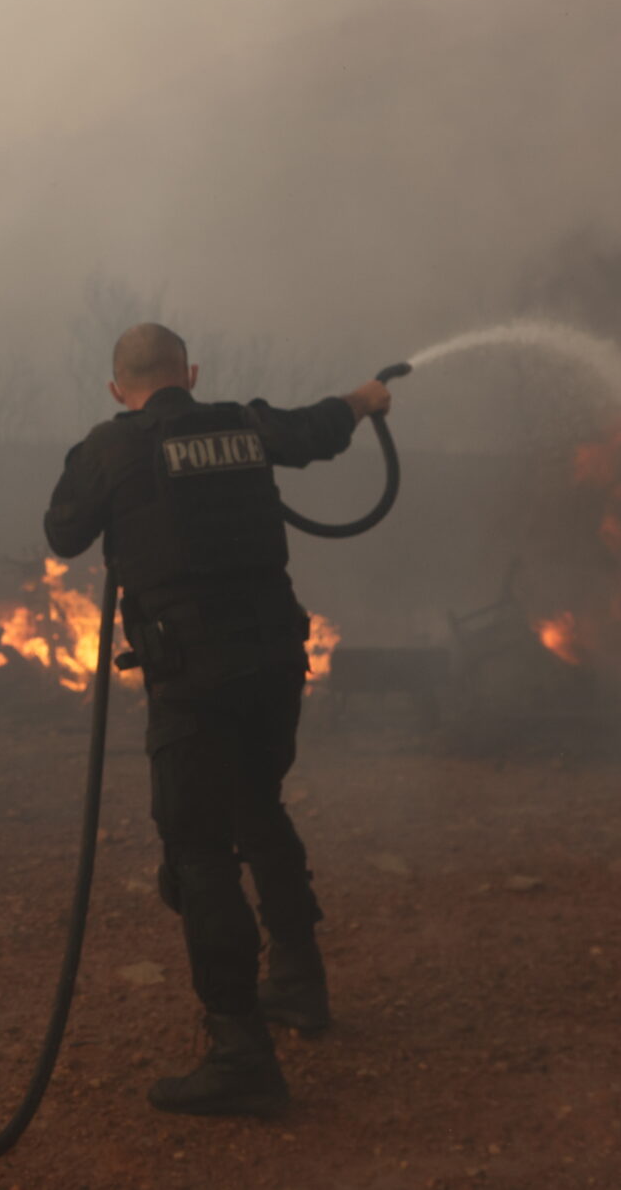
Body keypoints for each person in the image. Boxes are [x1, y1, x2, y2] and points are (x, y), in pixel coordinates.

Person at [43, 322, 391, 1118]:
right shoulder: (244, 423)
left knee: (199, 852)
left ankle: (240, 1053)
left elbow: (62, 533)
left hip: (193, 681)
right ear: (190, 374)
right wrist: (366, 399)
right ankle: (299, 983)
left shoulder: (110, 445)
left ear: (115, 388)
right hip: (276, 665)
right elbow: (317, 428)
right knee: (258, 806)